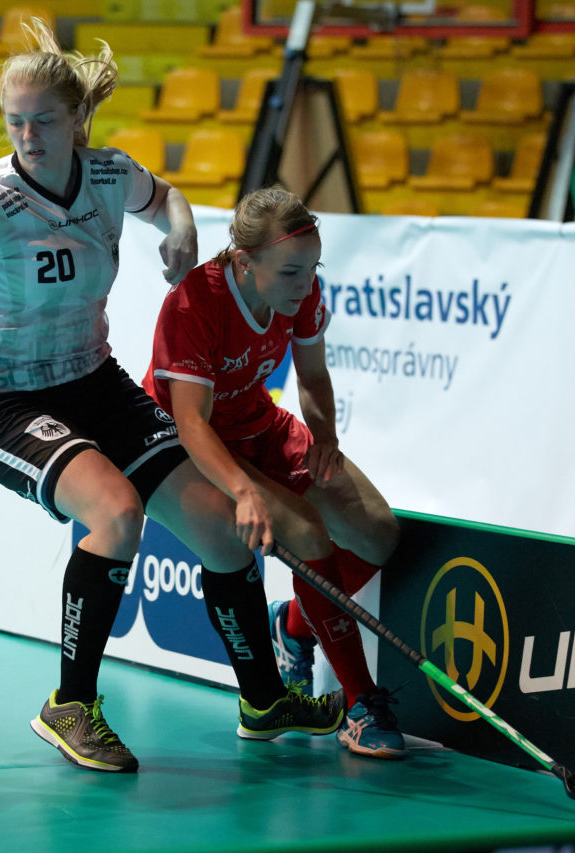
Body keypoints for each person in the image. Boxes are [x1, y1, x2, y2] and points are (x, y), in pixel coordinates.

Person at [0, 20, 343, 774]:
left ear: (75, 121)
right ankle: (71, 704)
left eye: (43, 120)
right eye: (14, 122)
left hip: (92, 378)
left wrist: (180, 234)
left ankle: (262, 698)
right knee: (117, 513)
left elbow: (171, 199)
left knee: (221, 529)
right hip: (3, 399)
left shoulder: (110, 176)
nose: (27, 135)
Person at [142, 185, 407, 760]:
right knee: (310, 532)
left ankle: (294, 624)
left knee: (378, 533)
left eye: (313, 269)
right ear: (244, 262)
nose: (305, 284)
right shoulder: (196, 302)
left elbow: (311, 377)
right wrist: (242, 491)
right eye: (291, 272)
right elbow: (189, 423)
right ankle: (360, 706)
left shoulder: (301, 293)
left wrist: (326, 439)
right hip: (195, 443)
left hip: (260, 423)